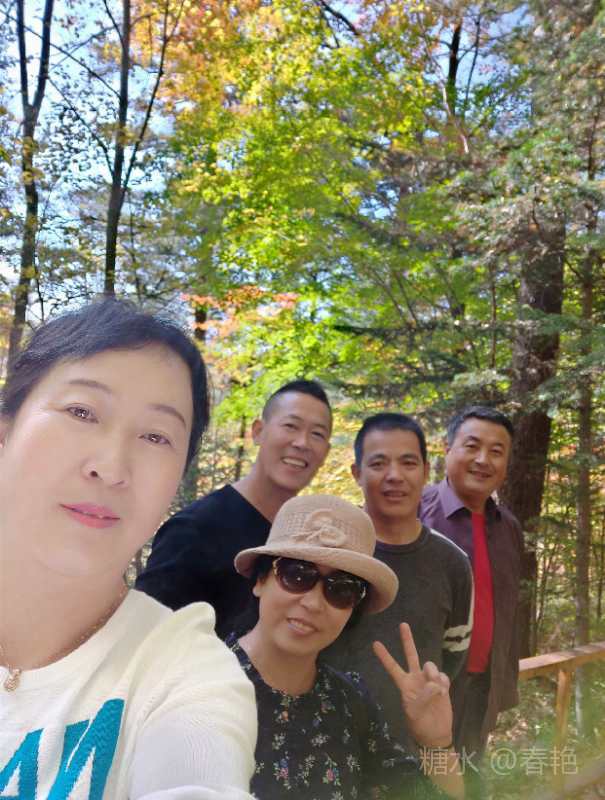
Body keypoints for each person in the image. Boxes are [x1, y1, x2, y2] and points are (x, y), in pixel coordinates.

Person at [0, 298, 256, 798]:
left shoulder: (182, 672)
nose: (112, 467)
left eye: (156, 437)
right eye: (81, 411)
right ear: (6, 430)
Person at [230, 494, 465, 800]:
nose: (313, 603)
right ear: (260, 580)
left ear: (353, 608)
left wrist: (437, 744)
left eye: (341, 589)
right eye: (296, 575)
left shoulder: (349, 703)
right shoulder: (198, 686)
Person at [136, 379, 332, 638]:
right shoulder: (195, 529)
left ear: (326, 451)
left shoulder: (302, 541)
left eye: (317, 434)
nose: (302, 443)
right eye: (290, 426)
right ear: (258, 431)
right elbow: (143, 634)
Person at [324, 413, 473, 750]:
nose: (395, 476)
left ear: (425, 471)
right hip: (327, 746)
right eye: (379, 464)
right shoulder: (329, 552)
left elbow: (453, 656)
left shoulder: (452, 563)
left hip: (412, 750)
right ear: (357, 473)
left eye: (408, 463)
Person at [420, 406, 523, 760]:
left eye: (496, 451)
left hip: (482, 690)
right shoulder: (414, 512)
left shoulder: (508, 527)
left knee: (470, 775)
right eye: (472, 446)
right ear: (447, 448)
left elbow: (507, 610)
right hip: (423, 691)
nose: (483, 460)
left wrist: (503, 687)